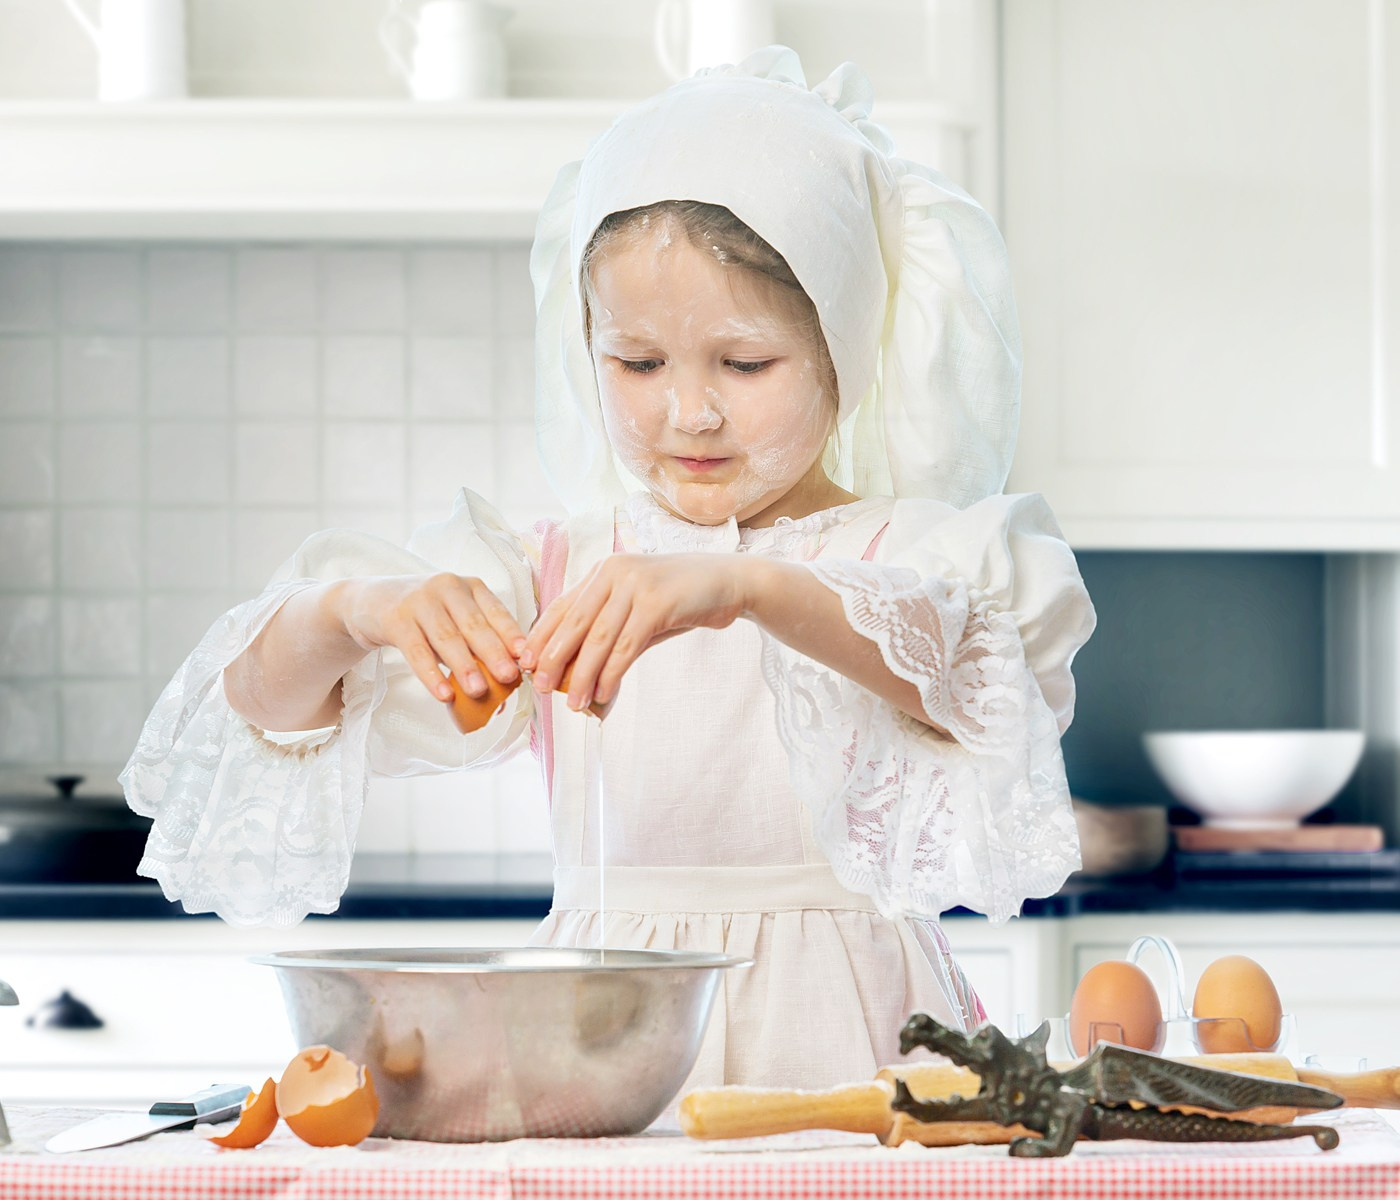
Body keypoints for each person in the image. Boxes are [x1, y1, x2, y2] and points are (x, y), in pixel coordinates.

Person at [120, 46, 1097, 1091]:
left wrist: (744, 588)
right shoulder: (550, 572)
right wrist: (353, 610)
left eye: (745, 363)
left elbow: (986, 687)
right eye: (638, 362)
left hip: (852, 1036)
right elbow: (264, 707)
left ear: (843, 352)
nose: (691, 412)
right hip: (607, 1042)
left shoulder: (909, 560)